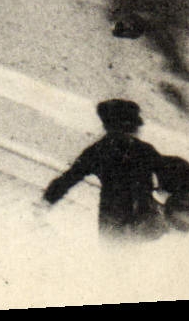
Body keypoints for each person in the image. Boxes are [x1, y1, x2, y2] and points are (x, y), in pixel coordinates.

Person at [42, 98, 166, 240]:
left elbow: (69, 178)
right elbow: (166, 177)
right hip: (144, 218)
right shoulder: (144, 149)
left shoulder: (98, 150)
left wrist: (46, 202)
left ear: (106, 126)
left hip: (114, 220)